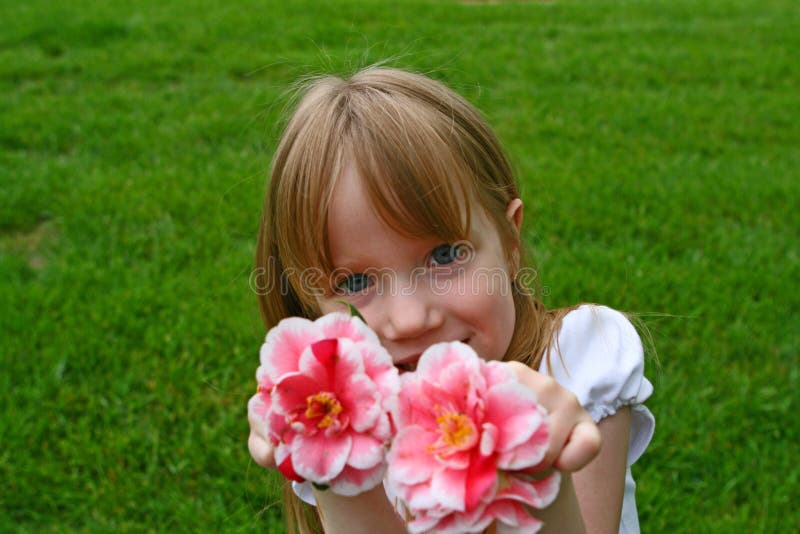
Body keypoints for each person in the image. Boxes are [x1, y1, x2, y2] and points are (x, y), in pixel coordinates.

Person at [247, 66, 654, 533]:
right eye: (354, 283)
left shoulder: (575, 364)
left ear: (509, 240)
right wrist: (329, 457)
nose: (409, 320)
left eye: (444, 255)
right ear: (310, 302)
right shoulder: (340, 426)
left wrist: (538, 466)